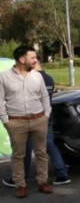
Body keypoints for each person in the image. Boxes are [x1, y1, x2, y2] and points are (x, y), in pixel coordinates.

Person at [2, 57, 71, 188]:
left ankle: (22, 178)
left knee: (25, 150)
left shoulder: (34, 78)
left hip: (33, 118)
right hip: (46, 118)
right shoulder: (49, 78)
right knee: (48, 146)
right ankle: (62, 173)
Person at [0, 45, 53, 198]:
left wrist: (46, 115)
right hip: (16, 122)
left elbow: (44, 96)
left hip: (39, 120)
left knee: (41, 152)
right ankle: (20, 185)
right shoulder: (4, 77)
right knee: (18, 155)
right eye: (33, 58)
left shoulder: (37, 76)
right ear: (22, 59)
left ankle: (43, 182)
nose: (36, 60)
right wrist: (6, 121)